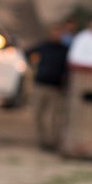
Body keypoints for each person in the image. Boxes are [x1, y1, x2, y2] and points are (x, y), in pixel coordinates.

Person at [26, 23, 70, 151]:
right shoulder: (44, 46)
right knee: (39, 115)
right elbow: (27, 53)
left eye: (59, 33)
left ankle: (53, 142)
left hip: (56, 87)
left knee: (54, 117)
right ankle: (43, 141)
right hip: (41, 85)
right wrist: (34, 65)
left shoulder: (64, 50)